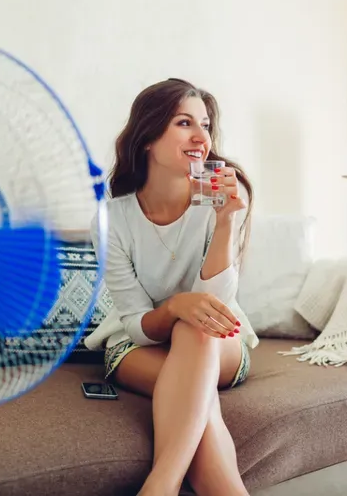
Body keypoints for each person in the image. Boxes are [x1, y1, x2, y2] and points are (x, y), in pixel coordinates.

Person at [84, 78, 258, 496]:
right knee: (197, 406)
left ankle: (159, 486)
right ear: (147, 137)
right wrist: (177, 305)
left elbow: (216, 307)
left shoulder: (217, 199)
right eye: (184, 123)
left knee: (195, 328)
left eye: (205, 124)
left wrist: (225, 222)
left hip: (220, 340)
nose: (202, 138)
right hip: (136, 344)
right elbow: (138, 325)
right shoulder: (114, 219)